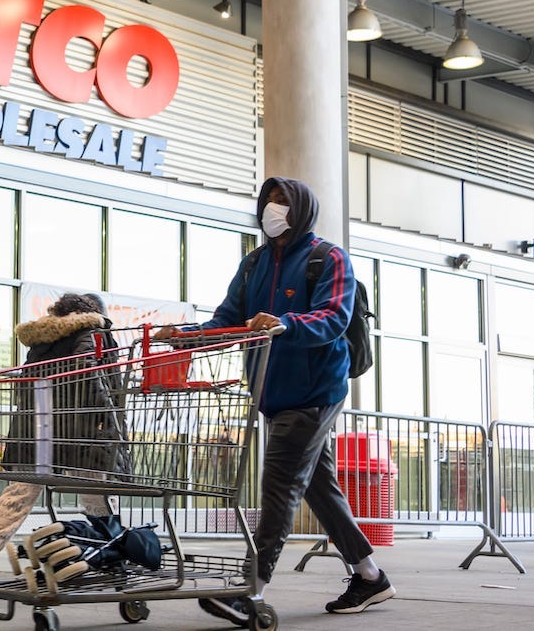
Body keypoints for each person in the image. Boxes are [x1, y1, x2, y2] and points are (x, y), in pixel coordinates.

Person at [160, 177, 394, 624]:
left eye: (282, 200)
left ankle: (251, 588)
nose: (272, 207)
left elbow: (333, 317)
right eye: (268, 200)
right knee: (317, 487)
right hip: (272, 393)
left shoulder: (328, 258)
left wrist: (286, 323)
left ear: (301, 208)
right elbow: (228, 319)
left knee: (280, 485)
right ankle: (370, 575)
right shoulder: (254, 264)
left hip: (315, 392)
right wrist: (186, 337)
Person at [0, 292, 126, 581]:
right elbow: (96, 379)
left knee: (19, 493)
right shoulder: (96, 332)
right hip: (80, 431)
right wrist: (109, 422)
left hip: (35, 429)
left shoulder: (41, 340)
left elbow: (27, 385)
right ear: (95, 312)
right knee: (96, 492)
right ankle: (110, 553)